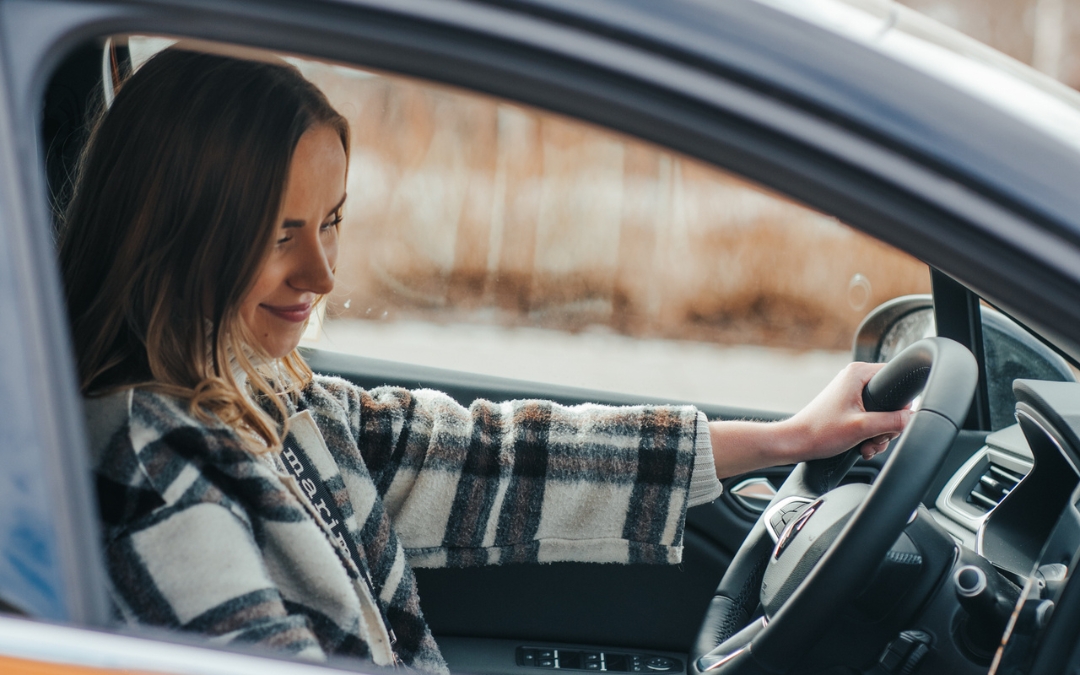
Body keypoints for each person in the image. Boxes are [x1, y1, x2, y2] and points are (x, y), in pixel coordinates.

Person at [58, 48, 910, 673]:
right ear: (180, 228)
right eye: (279, 233)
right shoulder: (152, 465)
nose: (322, 274)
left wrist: (789, 438)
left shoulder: (256, 386)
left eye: (332, 223)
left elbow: (483, 454)